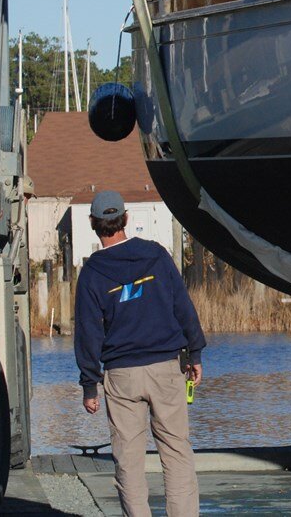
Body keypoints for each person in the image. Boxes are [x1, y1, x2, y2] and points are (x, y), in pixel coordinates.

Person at [75, 191, 206, 517]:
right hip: (166, 367)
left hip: (122, 377)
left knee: (128, 461)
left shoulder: (92, 274)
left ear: (93, 224)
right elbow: (182, 307)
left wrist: (90, 384)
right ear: (126, 219)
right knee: (176, 453)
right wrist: (196, 353)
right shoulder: (156, 256)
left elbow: (88, 333)